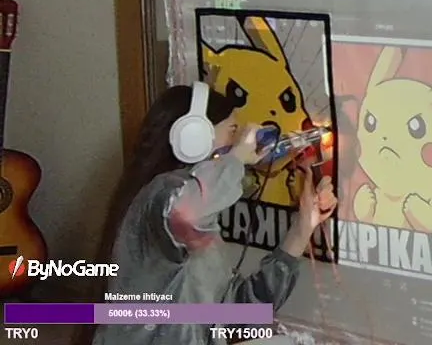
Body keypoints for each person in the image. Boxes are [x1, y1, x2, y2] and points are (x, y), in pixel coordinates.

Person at [80, 84, 336, 345]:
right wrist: (236, 158)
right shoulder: (163, 195)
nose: (239, 141)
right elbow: (186, 214)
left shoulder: (198, 225)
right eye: (233, 130)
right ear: (194, 136)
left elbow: (241, 315)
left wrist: (302, 228)